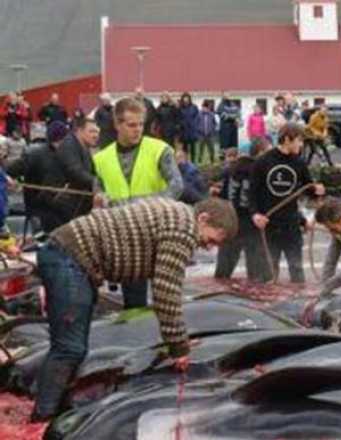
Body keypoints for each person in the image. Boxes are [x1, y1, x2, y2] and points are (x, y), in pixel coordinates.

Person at [29, 197, 237, 421]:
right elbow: (166, 293)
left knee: (72, 344)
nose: (209, 247)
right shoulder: (183, 230)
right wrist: (179, 347)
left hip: (69, 256)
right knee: (70, 347)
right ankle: (42, 419)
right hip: (69, 259)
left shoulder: (178, 215)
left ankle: (48, 406)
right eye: (213, 240)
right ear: (203, 218)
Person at [93, 98, 185, 309]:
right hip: (126, 239)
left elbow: (177, 185)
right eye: (131, 125)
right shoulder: (101, 159)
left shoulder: (160, 150)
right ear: (117, 125)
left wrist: (147, 206)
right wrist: (100, 199)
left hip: (159, 233)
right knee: (134, 303)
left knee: (168, 299)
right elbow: (98, 191)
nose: (138, 130)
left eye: (141, 124)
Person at [250, 122, 326, 284]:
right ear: (286, 139)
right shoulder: (263, 162)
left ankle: (298, 304)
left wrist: (317, 190)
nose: (302, 144)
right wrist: (255, 214)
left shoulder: (299, 163)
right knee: (269, 272)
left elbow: (308, 189)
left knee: (297, 269)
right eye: (299, 140)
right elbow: (252, 193)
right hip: (269, 223)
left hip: (291, 224)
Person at [5, 121, 94, 235]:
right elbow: (9, 172)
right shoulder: (34, 155)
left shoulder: (75, 155)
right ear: (54, 141)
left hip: (68, 209)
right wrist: (9, 179)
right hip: (42, 210)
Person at [215, 137, 271, 282]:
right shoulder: (261, 172)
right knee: (258, 277)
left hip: (230, 221)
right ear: (260, 153)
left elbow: (222, 197)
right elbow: (266, 200)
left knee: (222, 274)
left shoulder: (230, 169)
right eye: (268, 152)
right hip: (252, 223)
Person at [179, 93, 201, 163]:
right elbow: (178, 118)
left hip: (192, 131)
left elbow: (198, 117)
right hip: (184, 131)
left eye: (187, 98)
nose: (186, 99)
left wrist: (195, 124)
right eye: (184, 98)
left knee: (193, 148)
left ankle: (193, 162)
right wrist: (181, 124)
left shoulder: (194, 107)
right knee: (184, 149)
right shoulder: (180, 108)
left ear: (189, 99)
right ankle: (185, 162)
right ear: (182, 99)